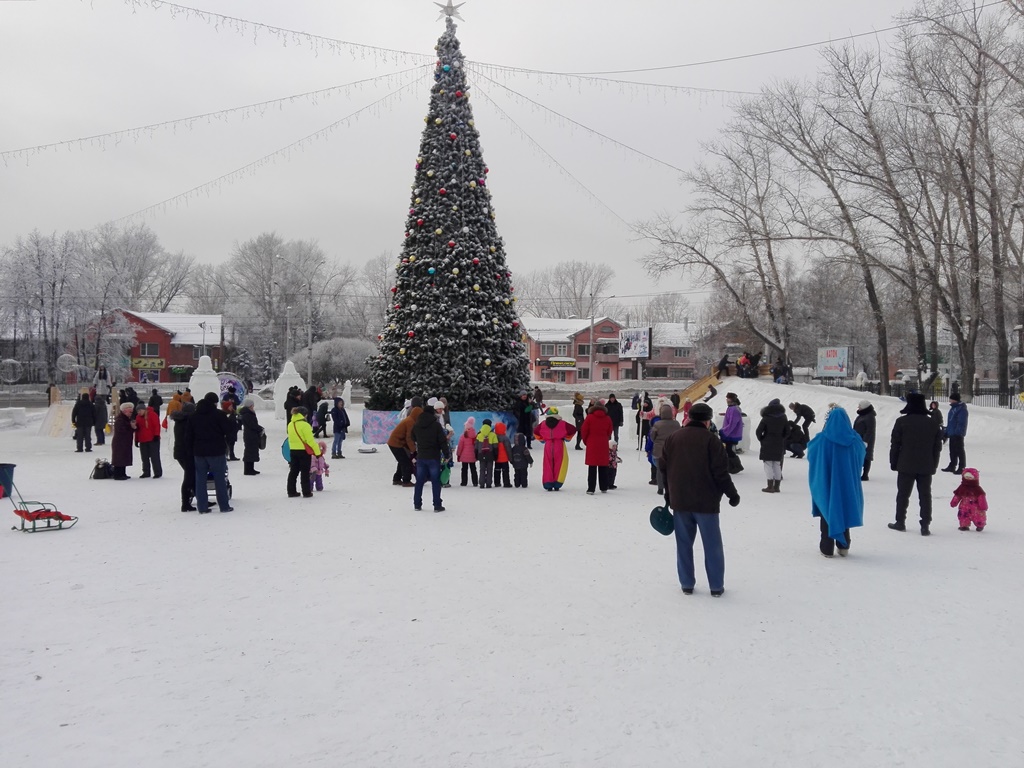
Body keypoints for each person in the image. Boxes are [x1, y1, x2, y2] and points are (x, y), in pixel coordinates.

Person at [660, 402, 740, 597]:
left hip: (680, 501)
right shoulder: (712, 441)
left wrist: (669, 493)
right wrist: (732, 494)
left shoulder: (673, 438)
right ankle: (715, 586)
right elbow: (721, 473)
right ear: (707, 420)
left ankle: (687, 583)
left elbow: (663, 466)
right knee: (712, 546)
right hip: (707, 503)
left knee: (684, 544)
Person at [807, 405, 865, 557]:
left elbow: (811, 453)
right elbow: (861, 457)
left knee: (827, 510)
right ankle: (844, 545)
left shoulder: (821, 439)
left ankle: (826, 547)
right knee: (844, 510)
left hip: (826, 481)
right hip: (847, 483)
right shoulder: (855, 440)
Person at [888, 392, 942, 535]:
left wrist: (894, 463)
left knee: (903, 494)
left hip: (905, 463)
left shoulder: (902, 422)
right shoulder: (933, 423)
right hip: (926, 464)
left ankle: (900, 521)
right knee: (925, 495)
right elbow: (937, 447)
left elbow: (895, 444)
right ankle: (925, 524)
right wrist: (934, 464)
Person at [189, 392, 233, 512]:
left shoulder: (193, 416)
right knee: (219, 479)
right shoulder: (219, 415)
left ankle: (202, 507)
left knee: (200, 480)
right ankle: (224, 506)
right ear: (215, 402)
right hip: (216, 451)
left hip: (199, 451)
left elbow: (188, 435)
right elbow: (228, 430)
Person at [411, 397, 451, 511]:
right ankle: (437, 505)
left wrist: (419, 441)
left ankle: (417, 504)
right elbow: (442, 441)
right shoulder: (436, 425)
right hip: (434, 456)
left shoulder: (417, 425)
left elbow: (412, 436)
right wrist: (447, 454)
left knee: (419, 481)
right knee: (435, 481)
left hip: (421, 456)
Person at [534, 406, 576, 491]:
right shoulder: (562, 423)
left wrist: (542, 440)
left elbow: (535, 431)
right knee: (559, 464)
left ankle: (548, 483)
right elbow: (573, 429)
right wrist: (567, 438)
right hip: (559, 444)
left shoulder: (543, 424)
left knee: (548, 464)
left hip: (548, 445)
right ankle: (557, 483)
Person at [755, 398, 791, 493]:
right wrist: (782, 438)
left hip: (767, 441)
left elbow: (758, 431)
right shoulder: (783, 417)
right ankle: (777, 486)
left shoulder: (766, 417)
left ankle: (770, 486)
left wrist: (762, 439)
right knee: (777, 464)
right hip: (779, 442)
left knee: (768, 464)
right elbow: (788, 431)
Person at [286, 406, 320, 499]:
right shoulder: (305, 425)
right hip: (304, 451)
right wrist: (318, 452)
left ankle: (291, 491)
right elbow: (310, 441)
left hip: (293, 450)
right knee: (305, 472)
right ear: (304, 415)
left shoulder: (290, 424)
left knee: (293, 471)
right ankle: (306, 492)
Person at [580, 400, 614, 494]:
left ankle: (591, 488)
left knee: (592, 467)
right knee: (603, 466)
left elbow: (584, 430)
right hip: (603, 443)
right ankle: (603, 487)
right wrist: (606, 438)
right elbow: (610, 431)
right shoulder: (607, 418)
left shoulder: (590, 417)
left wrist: (586, 441)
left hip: (592, 443)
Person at [170, 401, 196, 511]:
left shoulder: (179, 420)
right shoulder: (188, 421)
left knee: (192, 476)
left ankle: (199, 498)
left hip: (180, 452)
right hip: (187, 453)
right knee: (189, 477)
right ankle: (185, 503)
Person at [649, 403, 680, 495]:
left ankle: (660, 488)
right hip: (672, 450)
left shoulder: (657, 424)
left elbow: (652, 436)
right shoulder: (676, 424)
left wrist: (657, 442)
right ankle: (670, 487)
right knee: (671, 470)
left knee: (660, 470)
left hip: (659, 450)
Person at [387, 405, 422, 487]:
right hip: (396, 443)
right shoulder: (410, 422)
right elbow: (409, 438)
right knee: (406, 462)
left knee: (402, 461)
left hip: (395, 443)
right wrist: (413, 450)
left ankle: (397, 479)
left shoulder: (410, 420)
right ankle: (406, 481)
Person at [951, 467, 988, 532]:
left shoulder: (977, 489)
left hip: (976, 508)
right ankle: (964, 526)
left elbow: (981, 498)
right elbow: (958, 495)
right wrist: (954, 502)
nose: (968, 479)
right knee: (963, 516)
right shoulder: (962, 487)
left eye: (970, 477)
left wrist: (983, 506)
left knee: (979, 517)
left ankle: (980, 525)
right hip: (964, 506)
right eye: (966, 477)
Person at [942, 393, 969, 474]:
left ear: (954, 399)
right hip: (952, 433)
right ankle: (952, 465)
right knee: (952, 450)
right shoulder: (953, 408)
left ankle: (962, 467)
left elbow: (961, 422)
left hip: (957, 434)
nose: (949, 400)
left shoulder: (961, 409)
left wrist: (958, 432)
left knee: (959, 451)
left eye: (951, 399)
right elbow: (951, 422)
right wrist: (947, 432)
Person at [110, 402, 137, 480]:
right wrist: (131, 427)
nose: (131, 413)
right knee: (119, 458)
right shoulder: (120, 419)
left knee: (123, 457)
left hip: (124, 442)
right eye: (130, 412)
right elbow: (122, 430)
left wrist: (133, 427)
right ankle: (118, 474)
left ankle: (122, 473)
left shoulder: (125, 419)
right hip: (120, 442)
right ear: (125, 411)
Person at [134, 403, 162, 479]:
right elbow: (137, 430)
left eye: (140, 410)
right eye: (137, 411)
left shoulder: (152, 415)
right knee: (144, 457)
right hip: (143, 439)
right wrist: (136, 440)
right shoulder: (138, 417)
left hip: (153, 439)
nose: (139, 412)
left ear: (144, 409)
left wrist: (156, 435)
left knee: (154, 457)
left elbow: (156, 425)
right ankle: (146, 472)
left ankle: (157, 472)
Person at [719, 392, 744, 473]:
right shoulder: (732, 408)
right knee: (728, 450)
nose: (726, 400)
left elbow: (732, 423)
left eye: (728, 398)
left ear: (731, 399)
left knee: (729, 450)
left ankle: (736, 466)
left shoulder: (733, 409)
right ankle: (731, 467)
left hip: (731, 434)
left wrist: (724, 431)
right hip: (730, 433)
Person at [853, 400, 876, 481]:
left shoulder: (870, 416)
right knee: (859, 456)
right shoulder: (861, 415)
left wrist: (865, 441)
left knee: (867, 456)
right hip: (858, 439)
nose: (858, 407)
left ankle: (865, 475)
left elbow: (870, 430)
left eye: (860, 406)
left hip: (866, 440)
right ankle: (857, 472)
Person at [238, 398, 263, 475]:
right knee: (249, 452)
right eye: (252, 405)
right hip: (250, 435)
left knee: (252, 452)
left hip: (251, 435)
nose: (253, 407)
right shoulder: (247, 414)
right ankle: (248, 470)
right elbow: (252, 425)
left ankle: (251, 468)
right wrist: (260, 428)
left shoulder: (248, 413)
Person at [475, 419, 499, 489]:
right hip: (490, 454)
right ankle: (488, 483)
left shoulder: (479, 434)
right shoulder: (493, 434)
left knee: (482, 469)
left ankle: (482, 483)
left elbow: (476, 446)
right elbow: (495, 446)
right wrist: (496, 455)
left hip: (481, 454)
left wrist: (476, 454)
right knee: (489, 469)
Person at [456, 417, 479, 487]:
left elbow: (460, 446)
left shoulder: (463, 436)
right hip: (472, 455)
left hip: (464, 455)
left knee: (464, 469)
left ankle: (464, 482)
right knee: (473, 468)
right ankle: (475, 482)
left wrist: (458, 454)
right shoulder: (475, 435)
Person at [493, 421, 513, 489]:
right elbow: (508, 449)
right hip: (504, 459)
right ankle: (506, 483)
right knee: (505, 471)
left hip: (497, 458)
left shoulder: (494, 437)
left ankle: (497, 482)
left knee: (497, 471)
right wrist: (511, 459)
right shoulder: (505, 438)